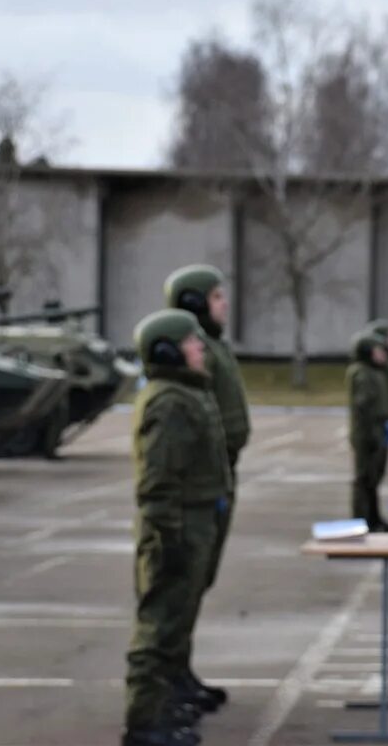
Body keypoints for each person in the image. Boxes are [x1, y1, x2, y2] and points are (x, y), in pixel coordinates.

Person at [123, 309, 230, 746]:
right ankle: (144, 725)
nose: (200, 347)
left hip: (194, 523)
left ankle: (163, 711)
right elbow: (159, 482)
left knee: (175, 627)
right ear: (168, 351)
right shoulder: (169, 402)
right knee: (158, 630)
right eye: (190, 342)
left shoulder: (186, 394)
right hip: (177, 528)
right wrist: (169, 540)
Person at [163, 264, 249, 712]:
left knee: (200, 579)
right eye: (216, 297)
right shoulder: (199, 353)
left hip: (220, 477)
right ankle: (170, 678)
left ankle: (182, 670)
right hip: (201, 482)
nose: (224, 304)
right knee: (184, 584)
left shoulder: (214, 347)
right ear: (194, 303)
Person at [346, 329, 388, 531]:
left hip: (378, 430)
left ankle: (374, 518)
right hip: (367, 432)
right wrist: (372, 432)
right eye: (377, 350)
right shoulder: (362, 372)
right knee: (364, 478)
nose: (382, 354)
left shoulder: (376, 372)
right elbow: (363, 407)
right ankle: (361, 521)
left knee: (373, 478)